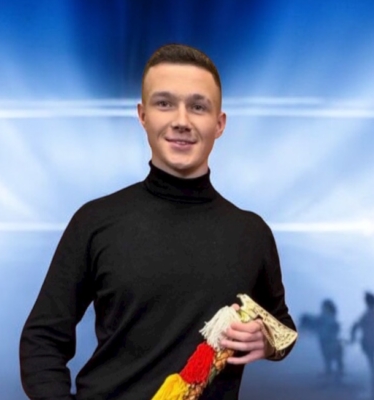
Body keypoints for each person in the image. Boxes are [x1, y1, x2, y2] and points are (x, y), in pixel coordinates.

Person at [20, 43, 297, 400]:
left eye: (198, 106)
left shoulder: (251, 233)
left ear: (219, 123)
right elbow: (42, 340)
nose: (181, 120)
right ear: (143, 115)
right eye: (164, 103)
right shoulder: (95, 221)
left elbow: (283, 329)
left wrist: (267, 340)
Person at [351, 292, 374, 400]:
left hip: (369, 342)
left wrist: (353, 337)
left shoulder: (369, 313)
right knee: (373, 366)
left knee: (373, 366)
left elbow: (355, 326)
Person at [300, 299, 344, 381]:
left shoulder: (327, 318)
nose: (323, 309)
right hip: (328, 343)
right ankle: (333, 375)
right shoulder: (326, 318)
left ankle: (335, 375)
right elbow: (315, 325)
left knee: (333, 360)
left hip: (330, 343)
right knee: (331, 360)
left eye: (324, 307)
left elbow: (316, 325)